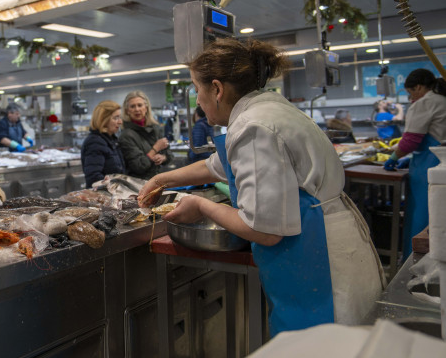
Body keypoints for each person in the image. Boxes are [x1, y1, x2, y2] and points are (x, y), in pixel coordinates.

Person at [137, 38, 385, 337]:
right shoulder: (267, 110)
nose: (197, 100)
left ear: (216, 89)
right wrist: (163, 179)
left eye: (196, 89)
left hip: (319, 261)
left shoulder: (253, 126)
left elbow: (265, 230)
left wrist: (202, 205)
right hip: (328, 245)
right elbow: (219, 165)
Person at [384, 68, 446, 258]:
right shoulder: (441, 99)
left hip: (429, 166)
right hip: (435, 160)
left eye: (411, 93)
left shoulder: (426, 102)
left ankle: (415, 263)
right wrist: (410, 158)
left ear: (419, 87)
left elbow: (411, 140)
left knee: (423, 215)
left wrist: (394, 158)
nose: (411, 98)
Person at [118, 91, 173, 180]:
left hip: (156, 181)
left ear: (146, 108)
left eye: (140, 105)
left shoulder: (155, 128)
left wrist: (163, 158)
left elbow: (169, 155)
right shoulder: (126, 136)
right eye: (132, 106)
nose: (137, 109)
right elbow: (139, 166)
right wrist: (155, 149)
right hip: (137, 185)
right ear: (127, 111)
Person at [81, 100, 125, 188]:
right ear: (103, 119)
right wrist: (111, 185)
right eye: (115, 118)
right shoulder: (95, 142)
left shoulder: (110, 140)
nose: (120, 122)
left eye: (120, 117)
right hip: (103, 197)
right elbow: (94, 177)